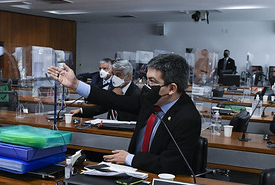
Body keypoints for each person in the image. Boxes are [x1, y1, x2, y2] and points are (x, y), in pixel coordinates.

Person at [48, 53, 201, 175]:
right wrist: (76, 84)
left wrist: (129, 158)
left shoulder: (188, 117)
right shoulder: (151, 100)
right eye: (146, 80)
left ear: (172, 88)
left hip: (160, 180)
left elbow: (170, 163)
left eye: (152, 82)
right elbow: (114, 100)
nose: (147, 87)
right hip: (134, 173)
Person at [76, 59, 140, 121]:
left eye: (118, 75)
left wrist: (117, 98)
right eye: (113, 74)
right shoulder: (115, 88)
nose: (114, 78)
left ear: (128, 76)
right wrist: (81, 110)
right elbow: (104, 105)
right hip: (109, 125)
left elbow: (129, 118)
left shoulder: (135, 94)